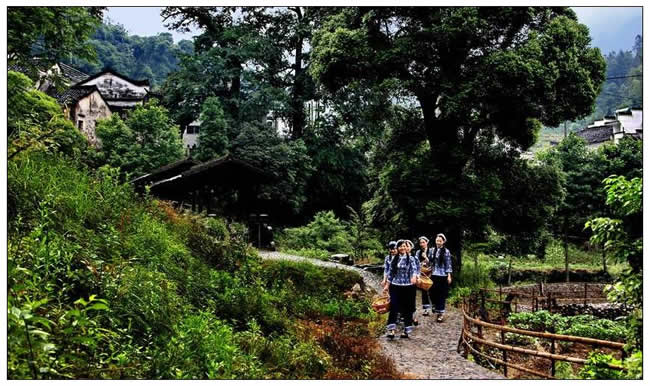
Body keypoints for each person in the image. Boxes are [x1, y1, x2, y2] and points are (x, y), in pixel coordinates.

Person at [384, 240, 418, 339]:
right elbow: (391, 273)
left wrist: (414, 276)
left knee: (407, 308)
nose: (402, 248)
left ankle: (406, 330)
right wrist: (387, 285)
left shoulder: (411, 258)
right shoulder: (394, 259)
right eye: (400, 246)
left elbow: (414, 269)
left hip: (408, 286)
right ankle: (391, 330)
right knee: (394, 306)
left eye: (404, 246)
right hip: (395, 285)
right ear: (397, 248)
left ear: (406, 248)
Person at [430, 233, 453, 322]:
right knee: (432, 293)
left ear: (443, 242)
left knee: (441, 294)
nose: (438, 242)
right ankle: (435, 305)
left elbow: (448, 264)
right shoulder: (432, 250)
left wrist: (449, 275)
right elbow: (430, 262)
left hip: (443, 275)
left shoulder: (446, 251)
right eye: (437, 240)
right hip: (433, 274)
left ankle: (440, 314)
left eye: (440, 241)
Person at [414, 236, 433, 316]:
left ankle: (435, 306)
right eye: (420, 243)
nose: (421, 244)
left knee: (433, 291)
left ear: (427, 242)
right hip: (422, 273)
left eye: (423, 242)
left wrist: (426, 258)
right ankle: (426, 309)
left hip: (432, 273)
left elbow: (434, 262)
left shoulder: (431, 251)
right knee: (424, 290)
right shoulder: (418, 252)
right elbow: (416, 263)